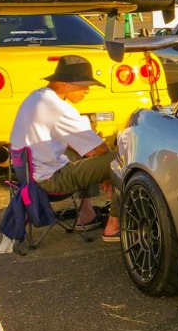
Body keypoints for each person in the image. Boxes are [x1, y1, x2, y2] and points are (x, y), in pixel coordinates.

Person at [9, 55, 121, 243]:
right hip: (50, 181)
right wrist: (107, 175)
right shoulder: (58, 107)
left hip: (28, 175)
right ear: (65, 83)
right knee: (122, 159)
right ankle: (113, 226)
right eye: (83, 84)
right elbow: (101, 149)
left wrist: (99, 167)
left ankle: (86, 214)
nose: (87, 90)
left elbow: (89, 149)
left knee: (83, 151)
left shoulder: (36, 97)